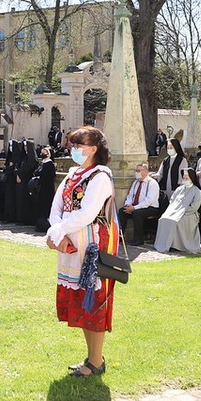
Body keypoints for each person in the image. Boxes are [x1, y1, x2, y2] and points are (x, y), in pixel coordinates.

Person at [46, 126, 115, 378]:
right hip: (70, 245)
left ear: (93, 149)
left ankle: (96, 361)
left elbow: (87, 213)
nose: (73, 150)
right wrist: (57, 233)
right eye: (72, 145)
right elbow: (57, 205)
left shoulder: (100, 177)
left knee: (93, 302)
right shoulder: (74, 173)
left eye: (78, 145)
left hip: (91, 247)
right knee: (81, 305)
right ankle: (91, 358)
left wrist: (59, 231)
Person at [154, 169, 201, 254]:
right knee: (163, 219)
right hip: (174, 212)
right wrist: (174, 211)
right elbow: (172, 201)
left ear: (192, 178)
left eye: (186, 178)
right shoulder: (179, 189)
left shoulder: (197, 191)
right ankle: (166, 244)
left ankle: (177, 245)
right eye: (183, 178)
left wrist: (181, 212)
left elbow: (194, 207)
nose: (184, 180)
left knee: (175, 221)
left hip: (189, 214)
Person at [118, 163, 160, 246]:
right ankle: (120, 237)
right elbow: (130, 196)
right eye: (136, 171)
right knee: (122, 211)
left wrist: (134, 208)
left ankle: (138, 239)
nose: (136, 173)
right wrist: (128, 205)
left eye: (139, 171)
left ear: (145, 172)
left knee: (137, 213)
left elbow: (149, 201)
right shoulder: (135, 183)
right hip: (136, 206)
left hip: (150, 207)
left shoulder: (152, 184)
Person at [33, 146, 56, 232]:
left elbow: (49, 175)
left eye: (45, 152)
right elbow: (36, 172)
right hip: (40, 188)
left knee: (46, 206)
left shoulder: (50, 164)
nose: (43, 154)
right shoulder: (42, 163)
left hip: (47, 188)